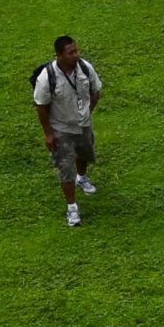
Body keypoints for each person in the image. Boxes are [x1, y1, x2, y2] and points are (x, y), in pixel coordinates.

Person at [32, 35, 102, 227]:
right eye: (71, 53)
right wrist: (48, 133)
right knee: (65, 168)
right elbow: (41, 106)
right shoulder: (47, 77)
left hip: (82, 124)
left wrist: (86, 113)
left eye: (76, 51)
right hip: (61, 128)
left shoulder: (85, 68)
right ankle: (72, 208)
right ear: (59, 56)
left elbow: (96, 91)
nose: (76, 55)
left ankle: (82, 178)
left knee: (84, 153)